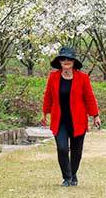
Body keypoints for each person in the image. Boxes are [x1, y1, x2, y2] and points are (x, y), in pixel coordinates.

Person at [41, 46, 101, 186]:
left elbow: (89, 97)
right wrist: (45, 113)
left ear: (74, 62)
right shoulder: (53, 77)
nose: (66, 61)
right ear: (60, 62)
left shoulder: (83, 78)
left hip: (78, 119)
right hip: (60, 119)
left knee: (76, 151)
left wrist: (95, 115)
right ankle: (67, 177)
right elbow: (48, 96)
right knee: (62, 148)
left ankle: (73, 175)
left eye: (69, 59)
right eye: (63, 59)